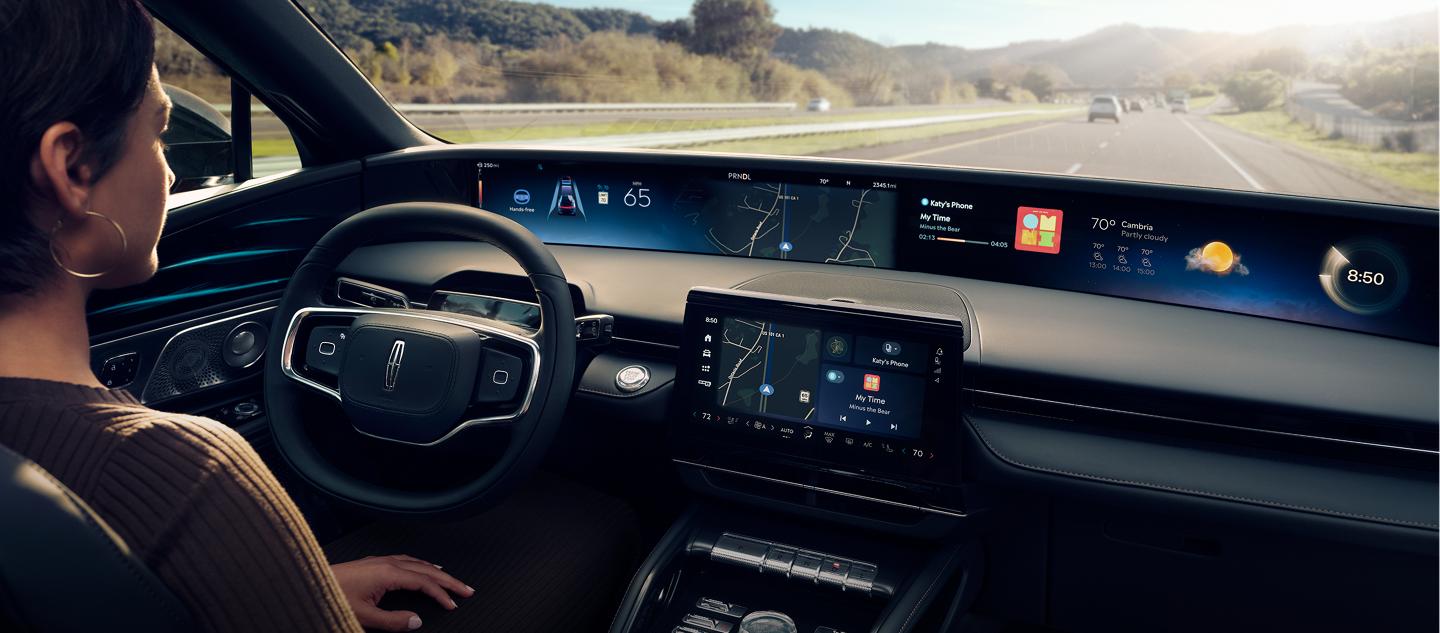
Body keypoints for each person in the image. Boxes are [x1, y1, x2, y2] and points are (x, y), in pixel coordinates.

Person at [0, 1, 473, 631]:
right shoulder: (183, 474)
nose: (169, 170)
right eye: (160, 132)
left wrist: (288, 585)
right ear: (74, 168)